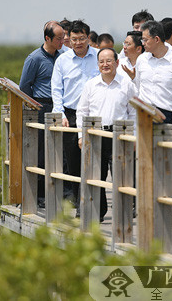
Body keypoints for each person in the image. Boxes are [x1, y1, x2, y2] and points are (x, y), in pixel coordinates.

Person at [76, 47, 137, 222]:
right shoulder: (91, 85)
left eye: (109, 61)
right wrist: (82, 135)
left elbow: (133, 112)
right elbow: (82, 111)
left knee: (122, 176)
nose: (105, 65)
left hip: (120, 135)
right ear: (97, 64)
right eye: (101, 61)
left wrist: (133, 136)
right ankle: (98, 213)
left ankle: (123, 213)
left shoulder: (126, 84)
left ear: (117, 62)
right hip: (96, 135)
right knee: (96, 176)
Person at [136, 20, 172, 214]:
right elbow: (139, 87)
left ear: (157, 39)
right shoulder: (142, 60)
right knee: (145, 159)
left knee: (168, 161)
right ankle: (148, 200)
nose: (142, 43)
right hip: (145, 114)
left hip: (167, 115)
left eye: (145, 39)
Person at [51, 20, 100, 210]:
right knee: (73, 160)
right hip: (70, 116)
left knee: (96, 160)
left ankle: (96, 204)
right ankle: (80, 203)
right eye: (73, 39)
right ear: (67, 40)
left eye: (81, 38)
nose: (78, 43)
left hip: (95, 115)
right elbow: (56, 89)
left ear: (88, 38)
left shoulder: (99, 57)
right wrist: (60, 113)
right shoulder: (62, 60)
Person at [19, 21, 64, 207]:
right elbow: (24, 85)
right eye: (59, 38)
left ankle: (59, 193)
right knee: (40, 152)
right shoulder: (34, 58)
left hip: (59, 106)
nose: (63, 41)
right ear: (48, 38)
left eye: (64, 37)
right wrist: (34, 107)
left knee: (58, 151)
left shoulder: (61, 57)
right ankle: (39, 196)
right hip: (41, 105)